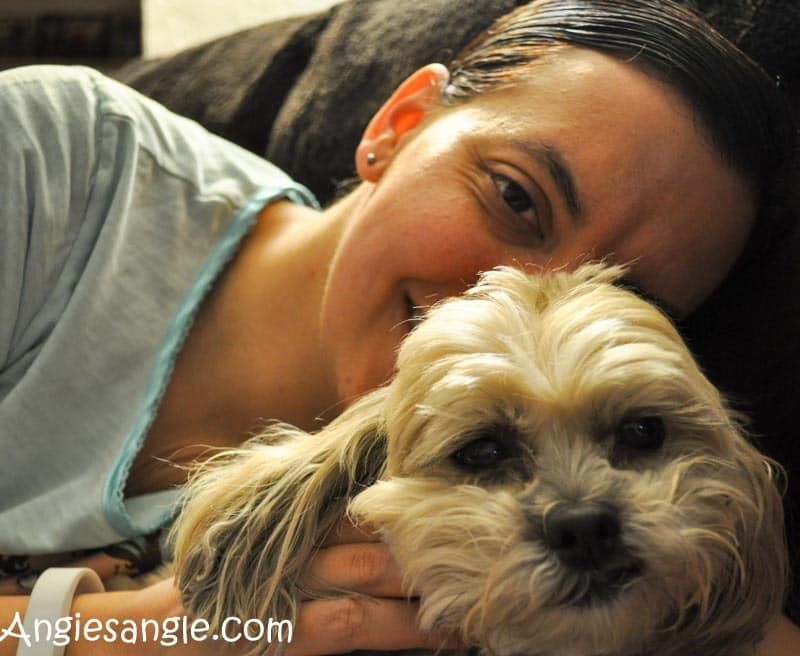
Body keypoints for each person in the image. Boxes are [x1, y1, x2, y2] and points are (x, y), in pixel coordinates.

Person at [0, 0, 798, 654]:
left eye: (624, 294)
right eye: (518, 199)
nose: (520, 302)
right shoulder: (54, 167)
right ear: (400, 120)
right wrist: (111, 634)